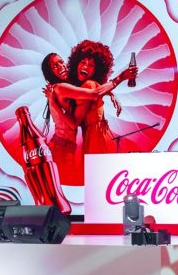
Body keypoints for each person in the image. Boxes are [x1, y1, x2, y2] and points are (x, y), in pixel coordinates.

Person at [41, 51, 136, 184]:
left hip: (68, 146)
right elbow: (93, 95)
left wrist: (110, 94)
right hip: (61, 147)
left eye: (61, 62)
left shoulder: (69, 87)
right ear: (50, 72)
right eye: (54, 66)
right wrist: (121, 77)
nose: (61, 66)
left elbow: (92, 92)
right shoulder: (60, 87)